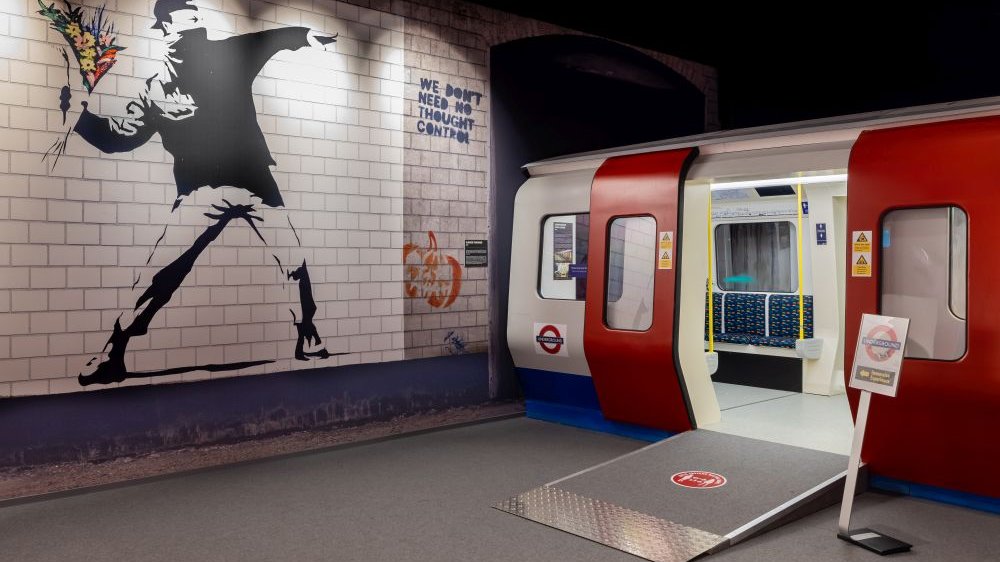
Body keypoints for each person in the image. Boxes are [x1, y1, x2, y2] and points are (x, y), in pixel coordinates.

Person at [70, 0, 341, 385]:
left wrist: (304, 36)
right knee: (159, 273)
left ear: (196, 24)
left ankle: (307, 331)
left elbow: (268, 40)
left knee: (293, 261)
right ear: (163, 32)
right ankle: (115, 350)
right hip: (198, 189)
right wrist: (81, 119)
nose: (176, 32)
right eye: (170, 26)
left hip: (254, 183)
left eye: (186, 22)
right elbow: (119, 137)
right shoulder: (156, 87)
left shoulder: (231, 54)